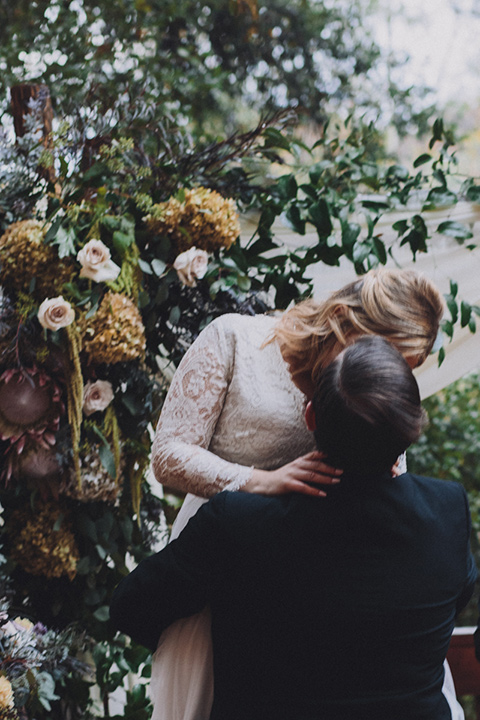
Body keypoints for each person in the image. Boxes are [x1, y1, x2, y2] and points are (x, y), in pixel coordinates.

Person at [111, 336, 477, 720]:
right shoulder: (448, 509)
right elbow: (457, 595)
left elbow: (131, 608)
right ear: (410, 427)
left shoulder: (237, 522)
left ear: (310, 417)